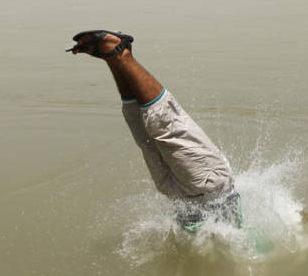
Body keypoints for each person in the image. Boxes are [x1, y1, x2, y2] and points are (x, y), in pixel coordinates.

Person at [67, 30, 241, 231]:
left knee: (140, 126)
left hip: (175, 195)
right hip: (211, 186)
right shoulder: (250, 248)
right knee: (165, 124)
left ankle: (113, 58)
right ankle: (120, 49)